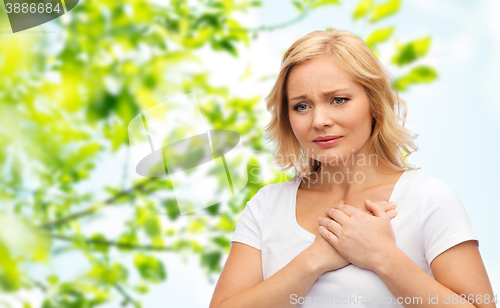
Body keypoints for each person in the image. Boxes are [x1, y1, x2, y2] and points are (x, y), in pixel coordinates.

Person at [209, 28, 496, 308]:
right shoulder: (266, 207)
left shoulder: (428, 199)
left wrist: (383, 255)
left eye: (338, 100)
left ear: (374, 103)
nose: (319, 120)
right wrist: (313, 261)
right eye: (301, 106)